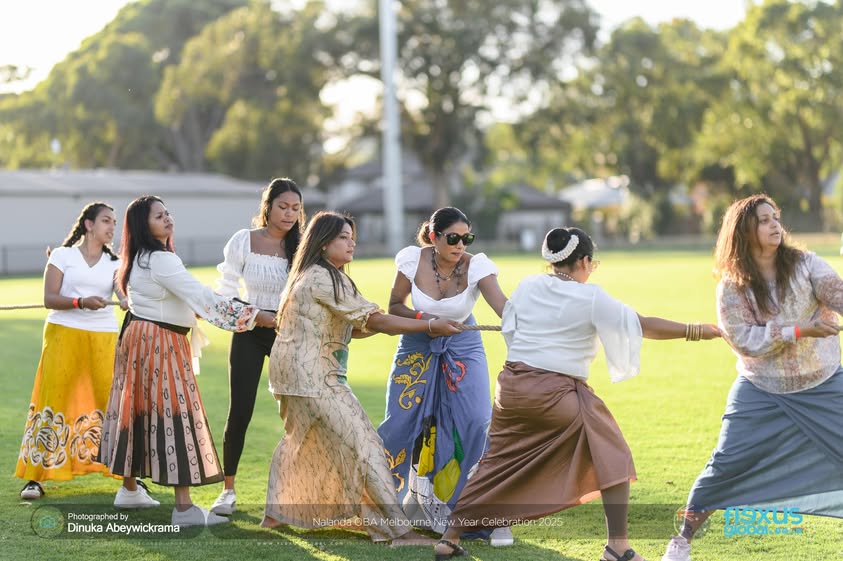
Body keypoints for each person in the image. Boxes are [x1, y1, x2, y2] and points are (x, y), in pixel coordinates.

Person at [432, 227, 721, 561]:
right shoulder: (591, 296)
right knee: (614, 454)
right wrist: (699, 331)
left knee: (494, 463)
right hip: (555, 393)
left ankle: (449, 538)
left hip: (510, 389)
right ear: (583, 261)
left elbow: (510, 320)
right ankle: (618, 546)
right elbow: (642, 324)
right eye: (591, 262)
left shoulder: (528, 286)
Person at [261, 211, 462, 545]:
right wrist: (427, 325)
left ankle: (276, 514)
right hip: (315, 377)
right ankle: (399, 531)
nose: (351, 242)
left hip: (288, 376)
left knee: (300, 442)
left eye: (353, 236)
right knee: (365, 445)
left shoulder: (308, 274)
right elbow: (376, 321)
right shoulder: (326, 278)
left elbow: (359, 327)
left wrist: (404, 325)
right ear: (324, 243)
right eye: (343, 237)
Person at [661, 195, 843, 561]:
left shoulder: (806, 264)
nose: (775, 225)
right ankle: (681, 542)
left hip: (824, 382)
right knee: (727, 463)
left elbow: (838, 294)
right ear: (744, 230)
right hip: (762, 389)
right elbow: (744, 340)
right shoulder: (732, 285)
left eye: (776, 217)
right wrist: (799, 330)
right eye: (763, 220)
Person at [96, 195, 276, 527]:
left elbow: (184, 300)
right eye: (158, 216)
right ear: (142, 225)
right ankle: (184, 508)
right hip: (160, 342)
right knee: (176, 414)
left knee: (137, 410)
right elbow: (203, 298)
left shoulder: (137, 258)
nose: (168, 219)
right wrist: (255, 316)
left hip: (139, 338)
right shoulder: (160, 261)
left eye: (168, 213)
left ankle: (130, 489)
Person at [375, 207, 509, 541]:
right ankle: (390, 506)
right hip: (417, 343)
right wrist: (427, 322)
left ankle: (480, 512)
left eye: (467, 237)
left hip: (464, 346)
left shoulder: (477, 266)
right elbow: (394, 307)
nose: (461, 244)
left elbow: (506, 309)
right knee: (401, 423)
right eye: (453, 238)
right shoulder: (411, 260)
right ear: (434, 237)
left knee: (476, 420)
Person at [15, 202, 158, 508]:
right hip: (62, 332)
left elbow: (123, 295)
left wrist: (125, 299)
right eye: (106, 221)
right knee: (53, 399)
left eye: (114, 222)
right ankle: (36, 477)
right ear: (89, 224)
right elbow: (50, 298)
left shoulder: (115, 262)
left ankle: (128, 478)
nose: (112, 227)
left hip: (103, 337)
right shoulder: (62, 256)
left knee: (110, 401)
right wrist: (80, 302)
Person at [210, 178, 304, 516]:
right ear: (267, 207)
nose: (290, 214)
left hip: (290, 336)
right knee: (240, 411)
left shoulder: (302, 246)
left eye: (295, 208)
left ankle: (298, 491)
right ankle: (228, 491)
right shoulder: (243, 241)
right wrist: (255, 315)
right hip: (249, 331)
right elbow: (224, 289)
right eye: (283, 206)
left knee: (299, 413)